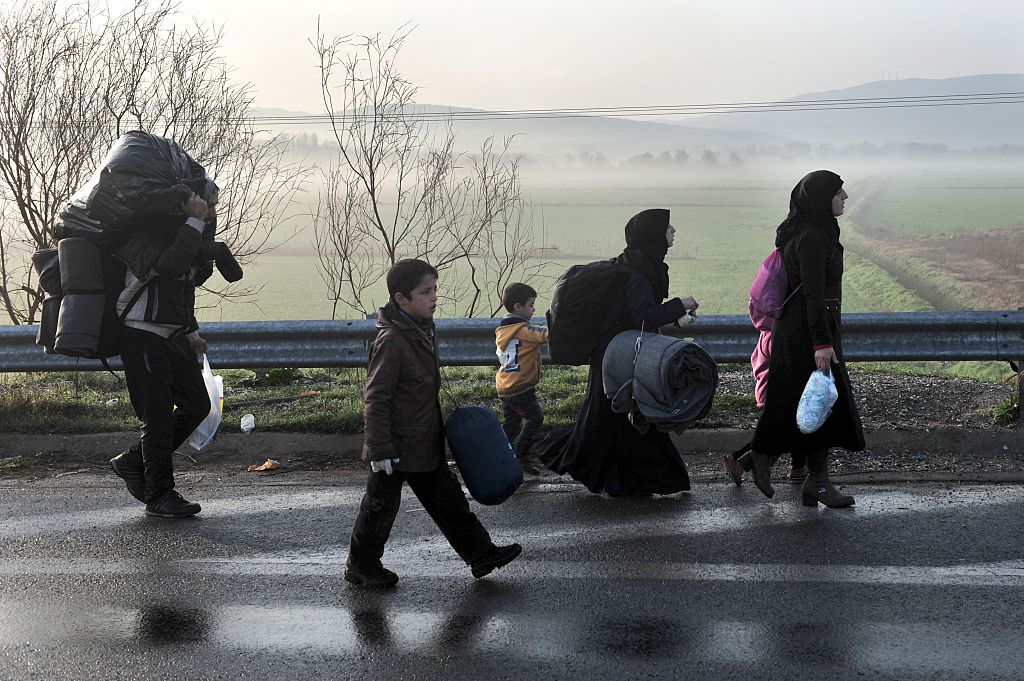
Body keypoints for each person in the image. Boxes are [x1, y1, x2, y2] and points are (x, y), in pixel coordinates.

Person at [345, 259, 523, 588]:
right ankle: (362, 566)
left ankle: (481, 554)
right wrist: (380, 448)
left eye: (435, 290)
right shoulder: (394, 340)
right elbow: (376, 397)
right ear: (401, 299)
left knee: (450, 501)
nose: (433, 297)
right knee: (379, 508)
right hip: (396, 447)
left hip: (424, 440)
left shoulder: (421, 328)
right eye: (425, 292)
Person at [537, 209, 698, 496]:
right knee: (622, 416)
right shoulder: (638, 273)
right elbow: (643, 316)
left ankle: (625, 480)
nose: (673, 231)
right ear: (653, 235)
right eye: (668, 228)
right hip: (617, 356)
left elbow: (636, 315)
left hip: (616, 351)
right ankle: (634, 478)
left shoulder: (639, 265)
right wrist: (679, 304)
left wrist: (667, 317)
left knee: (614, 417)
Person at [109, 184, 230, 518]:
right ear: (183, 204)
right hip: (141, 335)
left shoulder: (183, 237)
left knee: (197, 405)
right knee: (158, 418)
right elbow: (170, 267)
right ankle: (159, 495)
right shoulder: (144, 235)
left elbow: (180, 290)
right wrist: (194, 223)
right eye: (206, 205)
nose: (210, 212)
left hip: (173, 337)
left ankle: (133, 462)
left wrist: (191, 334)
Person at [744, 170, 865, 507]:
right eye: (839, 193)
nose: (844, 198)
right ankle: (811, 479)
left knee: (802, 404)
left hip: (809, 329)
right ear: (820, 198)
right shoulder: (812, 235)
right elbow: (812, 294)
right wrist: (821, 344)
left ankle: (772, 461)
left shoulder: (813, 229)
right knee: (822, 405)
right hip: (806, 332)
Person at [495, 282, 548, 475]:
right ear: (518, 307)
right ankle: (521, 456)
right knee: (535, 418)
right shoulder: (525, 330)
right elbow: (546, 335)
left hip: (505, 385)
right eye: (531, 305)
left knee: (511, 424)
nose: (534, 310)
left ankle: (496, 454)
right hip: (520, 387)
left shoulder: (502, 331)